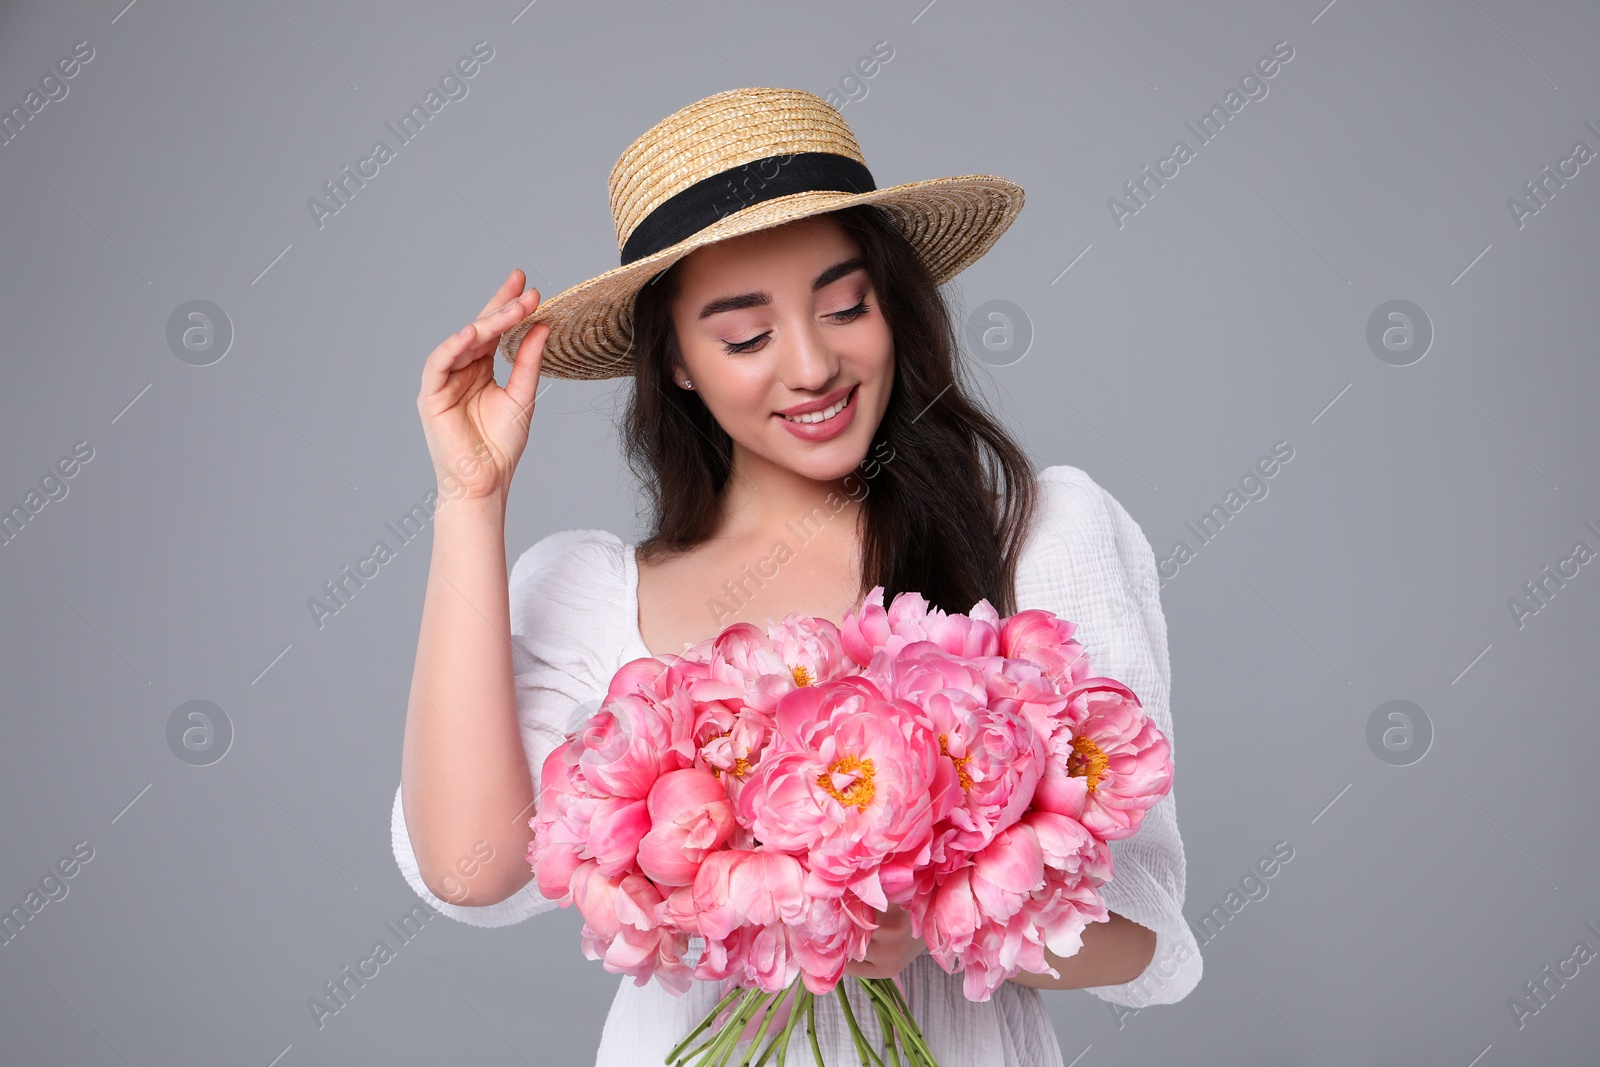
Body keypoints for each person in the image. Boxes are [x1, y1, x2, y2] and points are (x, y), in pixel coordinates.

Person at [393, 87, 1200, 1066]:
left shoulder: (1037, 534)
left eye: (844, 305)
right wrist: (470, 501)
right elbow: (466, 867)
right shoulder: (590, 591)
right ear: (679, 362)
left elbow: (1146, 939)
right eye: (744, 335)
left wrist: (946, 915)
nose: (813, 364)